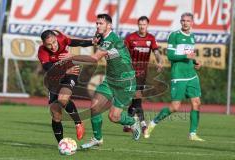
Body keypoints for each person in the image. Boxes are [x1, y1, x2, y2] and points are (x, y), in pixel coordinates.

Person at [73, 13, 141, 149]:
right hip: (110, 80)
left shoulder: (111, 40)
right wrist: (96, 37)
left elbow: (94, 59)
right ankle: (97, 139)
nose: (98, 25)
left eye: (101, 23)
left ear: (109, 26)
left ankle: (133, 122)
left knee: (113, 117)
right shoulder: (104, 38)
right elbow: (98, 38)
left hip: (125, 82)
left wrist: (71, 57)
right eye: (97, 23)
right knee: (94, 107)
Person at [144, 12, 205, 141]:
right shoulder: (174, 36)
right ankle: (152, 123)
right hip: (179, 76)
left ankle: (192, 134)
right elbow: (171, 56)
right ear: (180, 22)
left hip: (192, 75)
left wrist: (195, 62)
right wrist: (185, 57)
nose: (185, 23)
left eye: (188, 21)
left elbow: (189, 55)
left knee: (197, 103)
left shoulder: (192, 36)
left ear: (192, 22)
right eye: (183, 20)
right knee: (175, 107)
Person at [38, 29, 95, 143]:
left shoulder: (61, 38)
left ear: (56, 39)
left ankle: (78, 123)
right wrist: (65, 70)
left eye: (54, 42)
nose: (53, 46)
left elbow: (75, 42)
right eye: (49, 45)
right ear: (44, 44)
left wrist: (92, 41)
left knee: (63, 99)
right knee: (55, 114)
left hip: (71, 73)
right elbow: (48, 68)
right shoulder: (42, 51)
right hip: (54, 79)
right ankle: (61, 143)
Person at [123, 16, 163, 134]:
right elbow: (124, 53)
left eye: (144, 24)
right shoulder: (130, 38)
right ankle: (143, 124)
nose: (142, 26)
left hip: (142, 74)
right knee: (137, 98)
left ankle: (127, 123)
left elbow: (156, 52)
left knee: (136, 100)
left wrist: (159, 61)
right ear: (137, 25)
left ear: (147, 25)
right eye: (140, 24)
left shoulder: (151, 38)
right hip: (130, 73)